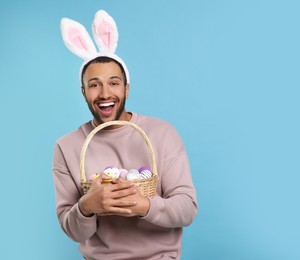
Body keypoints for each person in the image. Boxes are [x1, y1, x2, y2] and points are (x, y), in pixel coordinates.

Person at [52, 10, 198, 260]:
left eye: (114, 83)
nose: (105, 93)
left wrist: (144, 206)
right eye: (94, 84)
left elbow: (187, 209)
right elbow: (72, 229)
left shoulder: (161, 133)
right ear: (84, 92)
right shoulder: (67, 146)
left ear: (127, 88)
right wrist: (87, 207)